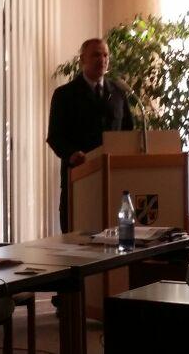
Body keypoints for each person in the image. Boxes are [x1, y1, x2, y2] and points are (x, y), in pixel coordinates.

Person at [47, 38, 133, 233]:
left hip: (114, 179)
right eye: (96, 55)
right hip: (79, 178)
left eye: (105, 55)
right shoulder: (64, 95)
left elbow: (128, 132)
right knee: (77, 239)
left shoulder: (118, 93)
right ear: (82, 60)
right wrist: (71, 154)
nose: (102, 60)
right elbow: (55, 136)